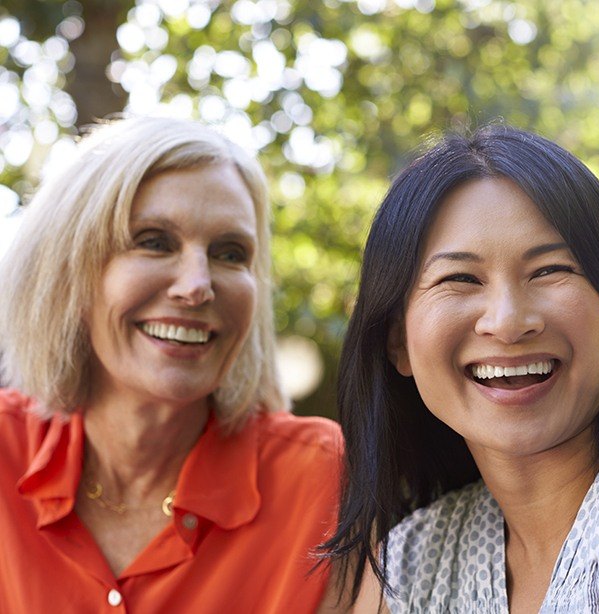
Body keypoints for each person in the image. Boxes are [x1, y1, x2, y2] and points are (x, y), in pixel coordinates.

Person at [323, 125, 599, 613]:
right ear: (399, 342)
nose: (508, 322)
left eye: (550, 271)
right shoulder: (411, 560)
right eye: (459, 278)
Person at [0, 116, 343, 613]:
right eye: (154, 241)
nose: (197, 284)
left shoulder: (320, 478)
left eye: (230, 253)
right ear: (68, 273)